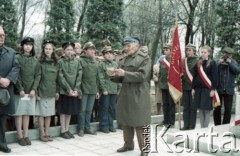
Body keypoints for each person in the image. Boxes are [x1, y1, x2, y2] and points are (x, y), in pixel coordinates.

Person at [108, 37, 151, 156]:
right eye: (125, 46)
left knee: (140, 122)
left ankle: (145, 149)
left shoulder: (144, 58)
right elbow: (121, 77)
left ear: (136, 45)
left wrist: (125, 73)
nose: (126, 48)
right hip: (126, 93)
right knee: (126, 120)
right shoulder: (126, 59)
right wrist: (113, 75)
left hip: (139, 93)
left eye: (128, 45)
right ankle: (128, 144)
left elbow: (143, 76)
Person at [14, 37, 41, 146]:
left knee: (27, 113)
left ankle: (26, 135)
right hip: (19, 92)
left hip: (31, 93)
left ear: (32, 46)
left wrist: (34, 89)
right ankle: (20, 136)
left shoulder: (35, 60)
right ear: (22, 46)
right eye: (26, 44)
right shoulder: (17, 58)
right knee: (19, 113)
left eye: (30, 44)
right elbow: (16, 74)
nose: (28, 46)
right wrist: (20, 88)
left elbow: (38, 75)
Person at [0, 26, 20, 153]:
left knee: (2, 119)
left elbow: (16, 67)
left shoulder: (11, 52)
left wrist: (8, 79)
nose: (2, 37)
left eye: (3, 35)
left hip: (5, 92)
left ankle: (2, 143)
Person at [57, 41, 82, 139]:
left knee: (70, 111)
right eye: (67, 50)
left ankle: (67, 129)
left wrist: (76, 89)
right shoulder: (60, 62)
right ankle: (63, 130)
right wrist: (68, 89)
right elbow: (60, 77)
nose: (69, 51)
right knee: (63, 111)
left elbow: (79, 75)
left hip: (74, 91)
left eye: (71, 50)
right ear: (64, 51)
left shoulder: (77, 62)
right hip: (65, 91)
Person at [36, 40, 59, 142]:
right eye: (46, 49)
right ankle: (42, 134)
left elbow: (57, 79)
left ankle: (47, 133)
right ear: (43, 49)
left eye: (50, 49)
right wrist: (36, 92)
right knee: (41, 113)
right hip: (42, 91)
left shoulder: (56, 62)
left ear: (53, 50)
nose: (48, 50)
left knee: (49, 113)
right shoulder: (39, 62)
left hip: (52, 91)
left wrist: (57, 91)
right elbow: (37, 77)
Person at [192, 45, 218, 128]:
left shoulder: (212, 63)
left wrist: (213, 89)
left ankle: (205, 128)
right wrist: (193, 87)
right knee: (200, 109)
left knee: (206, 109)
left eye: (204, 52)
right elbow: (195, 76)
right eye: (202, 52)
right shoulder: (198, 62)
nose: (203, 54)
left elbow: (215, 77)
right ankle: (201, 127)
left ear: (209, 53)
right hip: (198, 89)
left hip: (207, 89)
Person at [77, 42, 99, 137]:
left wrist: (97, 90)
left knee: (89, 110)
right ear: (85, 51)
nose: (92, 51)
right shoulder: (80, 61)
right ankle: (81, 129)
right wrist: (78, 90)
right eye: (90, 49)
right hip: (83, 89)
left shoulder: (95, 62)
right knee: (82, 110)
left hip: (93, 90)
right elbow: (78, 77)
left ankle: (87, 127)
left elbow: (97, 77)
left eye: (93, 49)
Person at [214, 47, 240, 125]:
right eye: (227, 54)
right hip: (218, 90)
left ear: (231, 55)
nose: (228, 56)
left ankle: (225, 125)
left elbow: (237, 71)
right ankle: (217, 125)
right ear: (224, 53)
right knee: (217, 108)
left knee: (228, 109)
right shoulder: (217, 61)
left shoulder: (234, 62)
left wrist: (230, 63)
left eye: (230, 55)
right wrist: (219, 62)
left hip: (229, 90)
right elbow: (212, 70)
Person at [98, 47, 119, 133]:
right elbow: (101, 77)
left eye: (111, 53)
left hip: (114, 89)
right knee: (104, 108)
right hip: (106, 90)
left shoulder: (115, 64)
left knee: (112, 108)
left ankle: (111, 125)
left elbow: (118, 77)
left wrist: (118, 88)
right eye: (107, 53)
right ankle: (104, 126)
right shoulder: (101, 64)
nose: (109, 55)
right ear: (103, 55)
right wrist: (104, 89)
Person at [181, 43, 198, 130]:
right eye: (187, 50)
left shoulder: (197, 60)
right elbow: (181, 72)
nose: (188, 52)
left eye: (190, 50)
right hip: (185, 87)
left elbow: (198, 75)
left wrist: (194, 87)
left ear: (194, 51)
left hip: (193, 88)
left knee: (192, 108)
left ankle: (191, 126)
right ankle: (185, 125)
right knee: (186, 107)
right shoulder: (184, 60)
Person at [158, 43, 176, 127]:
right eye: (164, 49)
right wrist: (159, 84)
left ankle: (171, 122)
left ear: (171, 50)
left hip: (171, 85)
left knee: (171, 104)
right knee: (165, 104)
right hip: (163, 85)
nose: (165, 51)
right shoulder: (162, 60)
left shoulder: (174, 61)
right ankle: (165, 120)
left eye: (167, 49)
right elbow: (160, 73)